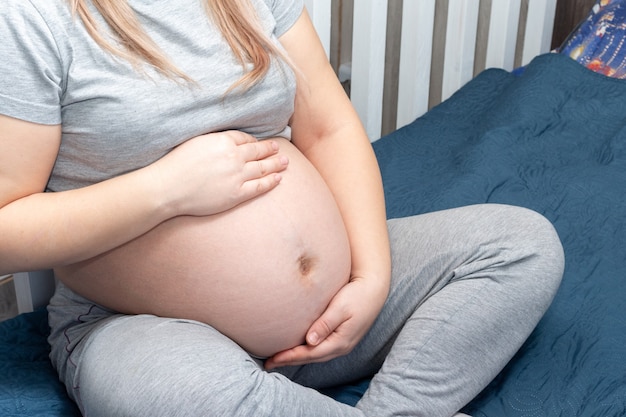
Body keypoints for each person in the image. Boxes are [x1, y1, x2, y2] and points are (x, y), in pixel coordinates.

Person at [0, 0, 564, 416]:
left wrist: (370, 277)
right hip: (144, 329)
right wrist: (166, 190)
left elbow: (328, 126)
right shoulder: (31, 19)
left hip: (331, 324)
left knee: (520, 246)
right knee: (177, 397)